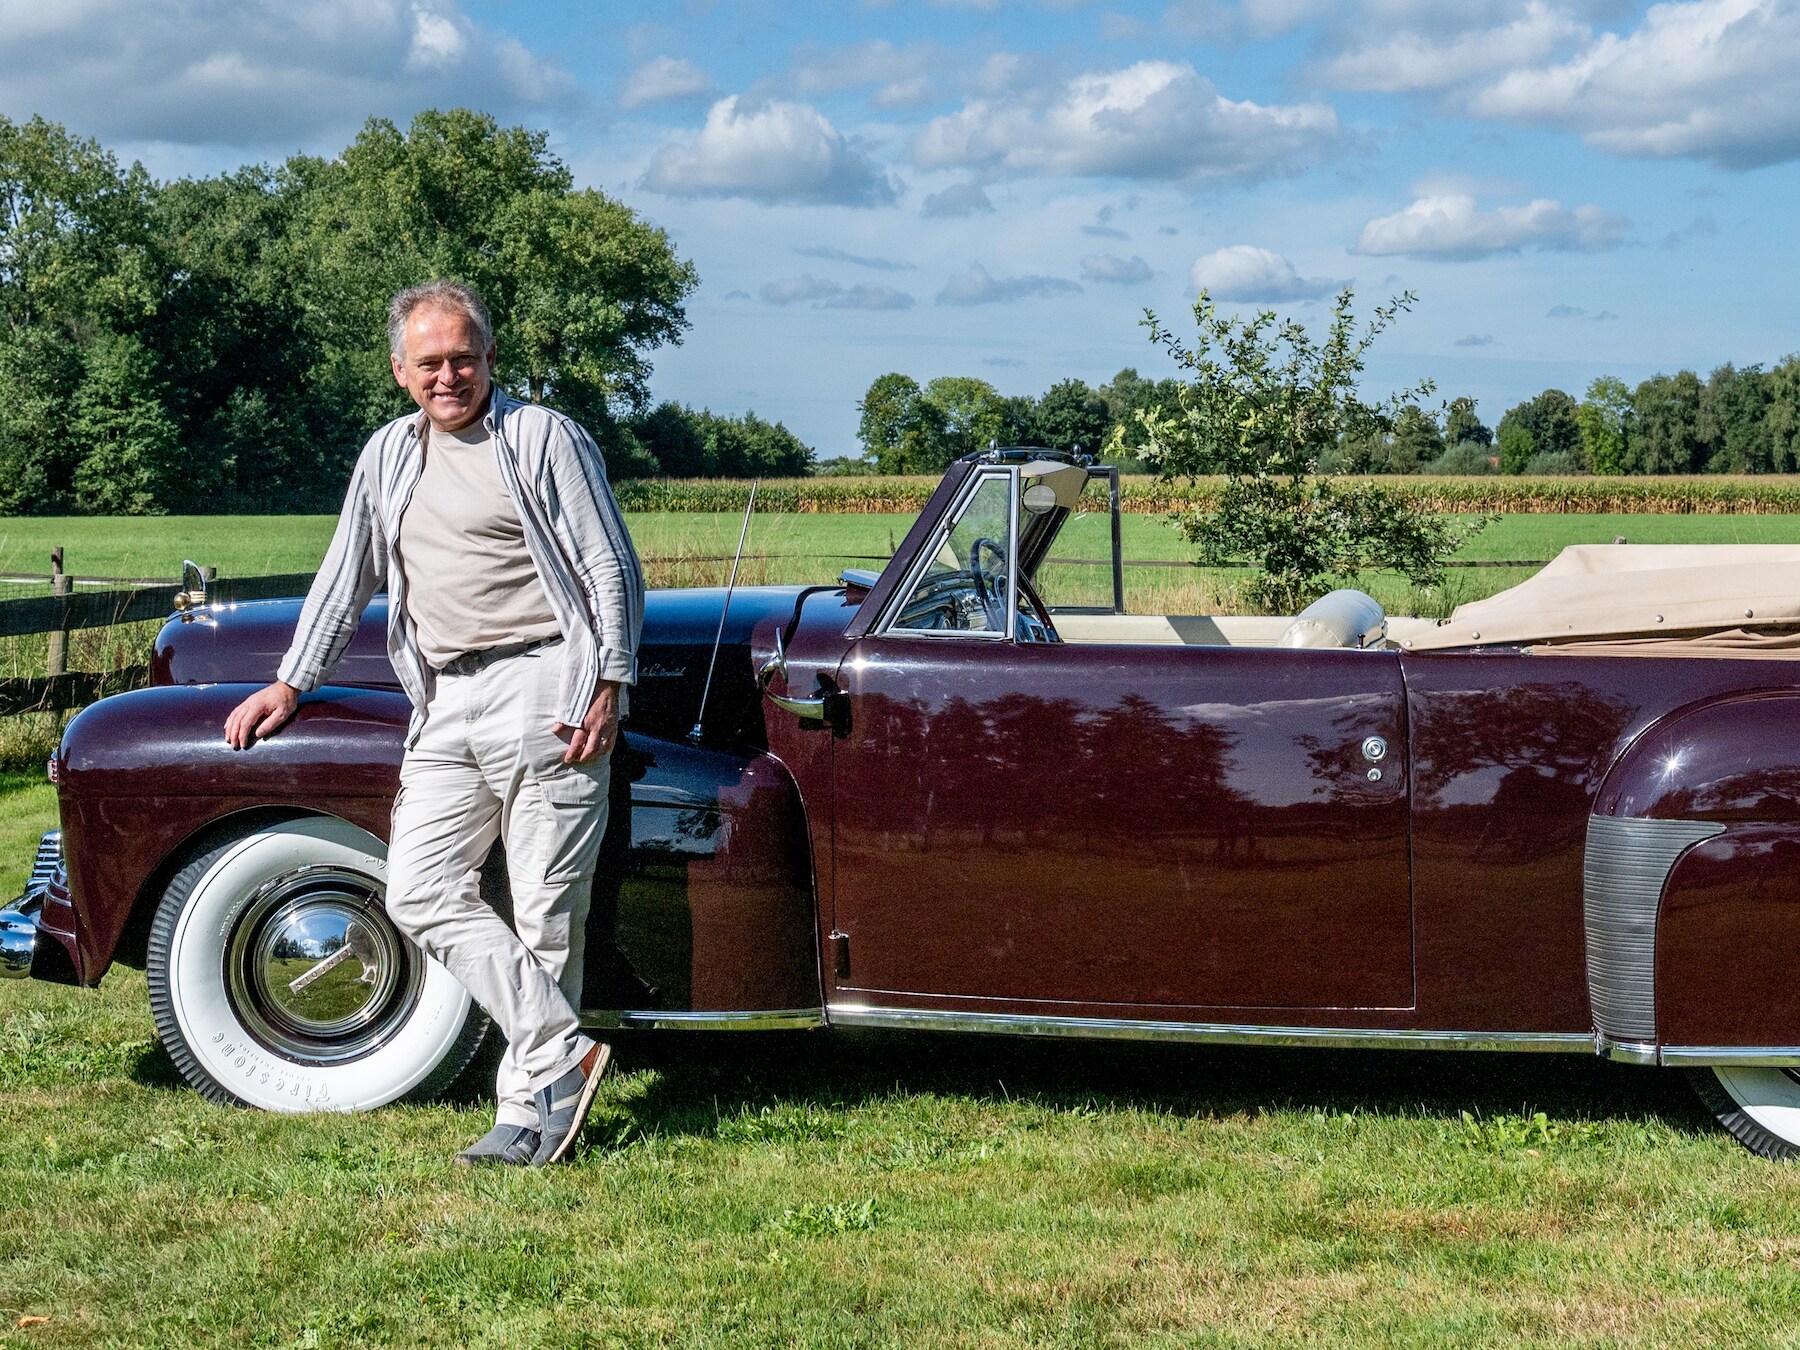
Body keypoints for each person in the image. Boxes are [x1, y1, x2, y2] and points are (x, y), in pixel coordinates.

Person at [223, 279, 645, 1167]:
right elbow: (347, 576)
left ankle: (527, 1115)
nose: (448, 375)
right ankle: (563, 1051)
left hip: (545, 686)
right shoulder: (387, 456)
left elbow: (610, 565)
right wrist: (291, 684)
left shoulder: (541, 437)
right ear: (399, 372)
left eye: (464, 358)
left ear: (490, 359)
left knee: (544, 916)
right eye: (430, 363)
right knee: (417, 890)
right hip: (445, 699)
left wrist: (608, 680)